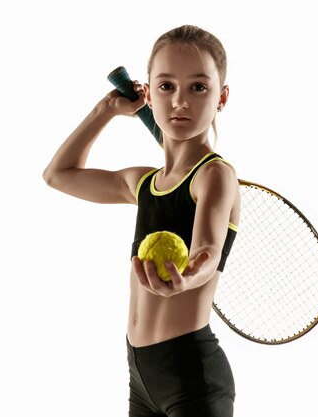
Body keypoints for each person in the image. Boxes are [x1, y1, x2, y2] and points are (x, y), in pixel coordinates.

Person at [43, 24, 240, 417]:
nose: (180, 101)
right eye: (166, 86)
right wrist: (107, 110)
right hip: (141, 376)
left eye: (198, 87)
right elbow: (58, 175)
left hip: (192, 379)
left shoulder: (214, 176)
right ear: (148, 93)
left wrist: (189, 275)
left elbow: (207, 250)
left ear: (222, 97)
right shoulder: (144, 183)